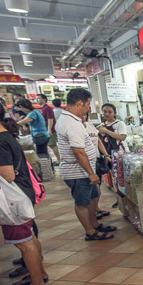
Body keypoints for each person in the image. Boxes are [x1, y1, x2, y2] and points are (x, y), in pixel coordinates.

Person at [0, 100, 48, 285]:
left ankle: (37, 284)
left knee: (24, 243)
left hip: (12, 198)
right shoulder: (4, 136)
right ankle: (39, 274)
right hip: (20, 194)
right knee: (29, 238)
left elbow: (6, 175)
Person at [56, 88, 114, 240]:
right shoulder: (71, 123)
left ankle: (94, 224)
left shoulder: (70, 119)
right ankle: (90, 231)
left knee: (93, 197)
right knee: (82, 202)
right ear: (79, 103)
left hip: (82, 170)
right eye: (88, 104)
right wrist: (90, 172)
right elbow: (78, 152)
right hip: (77, 171)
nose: (88, 107)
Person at [84, 111, 113, 220]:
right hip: (85, 162)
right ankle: (91, 214)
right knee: (92, 188)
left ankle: (96, 208)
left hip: (95, 160)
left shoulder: (91, 126)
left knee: (97, 187)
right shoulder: (76, 128)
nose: (83, 117)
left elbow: (98, 141)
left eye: (84, 115)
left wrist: (105, 155)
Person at [36, 94, 60, 162]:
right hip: (45, 130)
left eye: (38, 98)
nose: (37, 100)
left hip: (50, 130)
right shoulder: (43, 108)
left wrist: (49, 130)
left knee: (52, 145)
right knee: (51, 145)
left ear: (44, 99)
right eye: (36, 99)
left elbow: (50, 119)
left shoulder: (47, 108)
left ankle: (59, 160)